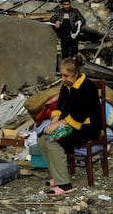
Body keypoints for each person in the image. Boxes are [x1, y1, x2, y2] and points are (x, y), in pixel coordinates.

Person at [37, 56, 102, 196]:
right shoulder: (66, 86)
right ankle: (57, 174)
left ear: (75, 74)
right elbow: (59, 107)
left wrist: (56, 127)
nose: (63, 78)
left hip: (87, 127)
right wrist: (53, 123)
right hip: (70, 123)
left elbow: (79, 116)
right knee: (42, 139)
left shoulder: (87, 87)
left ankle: (65, 185)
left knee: (54, 141)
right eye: (62, 75)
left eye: (66, 75)